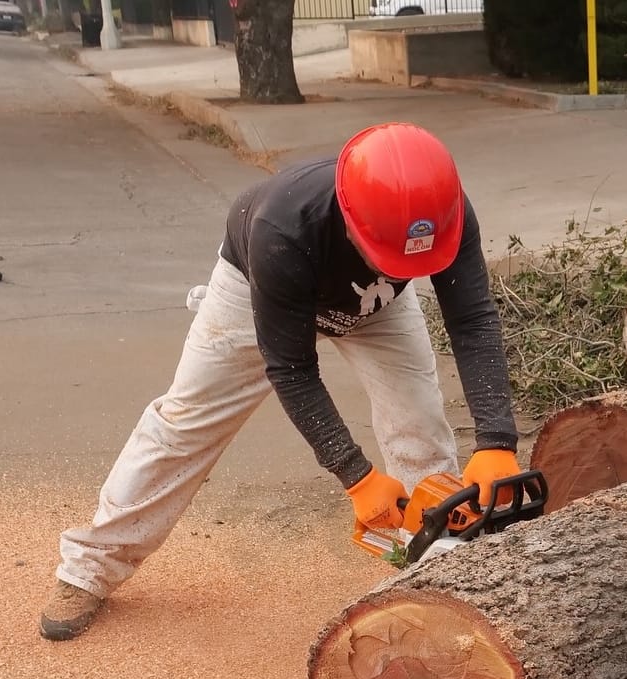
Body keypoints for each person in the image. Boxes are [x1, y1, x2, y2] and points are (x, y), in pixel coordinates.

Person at [41, 122, 523, 642]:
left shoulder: (441, 208)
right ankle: (89, 568)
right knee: (185, 423)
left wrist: (497, 440)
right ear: (351, 219)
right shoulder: (283, 228)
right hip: (257, 290)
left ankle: (442, 575)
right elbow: (292, 368)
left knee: (421, 425)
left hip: (374, 298)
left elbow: (472, 318)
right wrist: (355, 475)